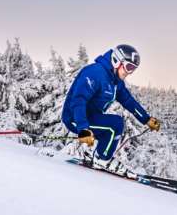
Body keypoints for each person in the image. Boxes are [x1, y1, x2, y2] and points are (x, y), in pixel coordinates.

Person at [61, 44, 161, 177]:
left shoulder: (115, 81)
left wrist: (146, 119)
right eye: (128, 67)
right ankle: (102, 159)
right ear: (116, 61)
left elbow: (128, 101)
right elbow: (79, 100)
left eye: (133, 69)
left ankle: (99, 156)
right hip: (74, 117)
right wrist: (82, 128)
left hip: (90, 116)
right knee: (115, 125)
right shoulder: (95, 73)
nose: (129, 72)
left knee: (113, 127)